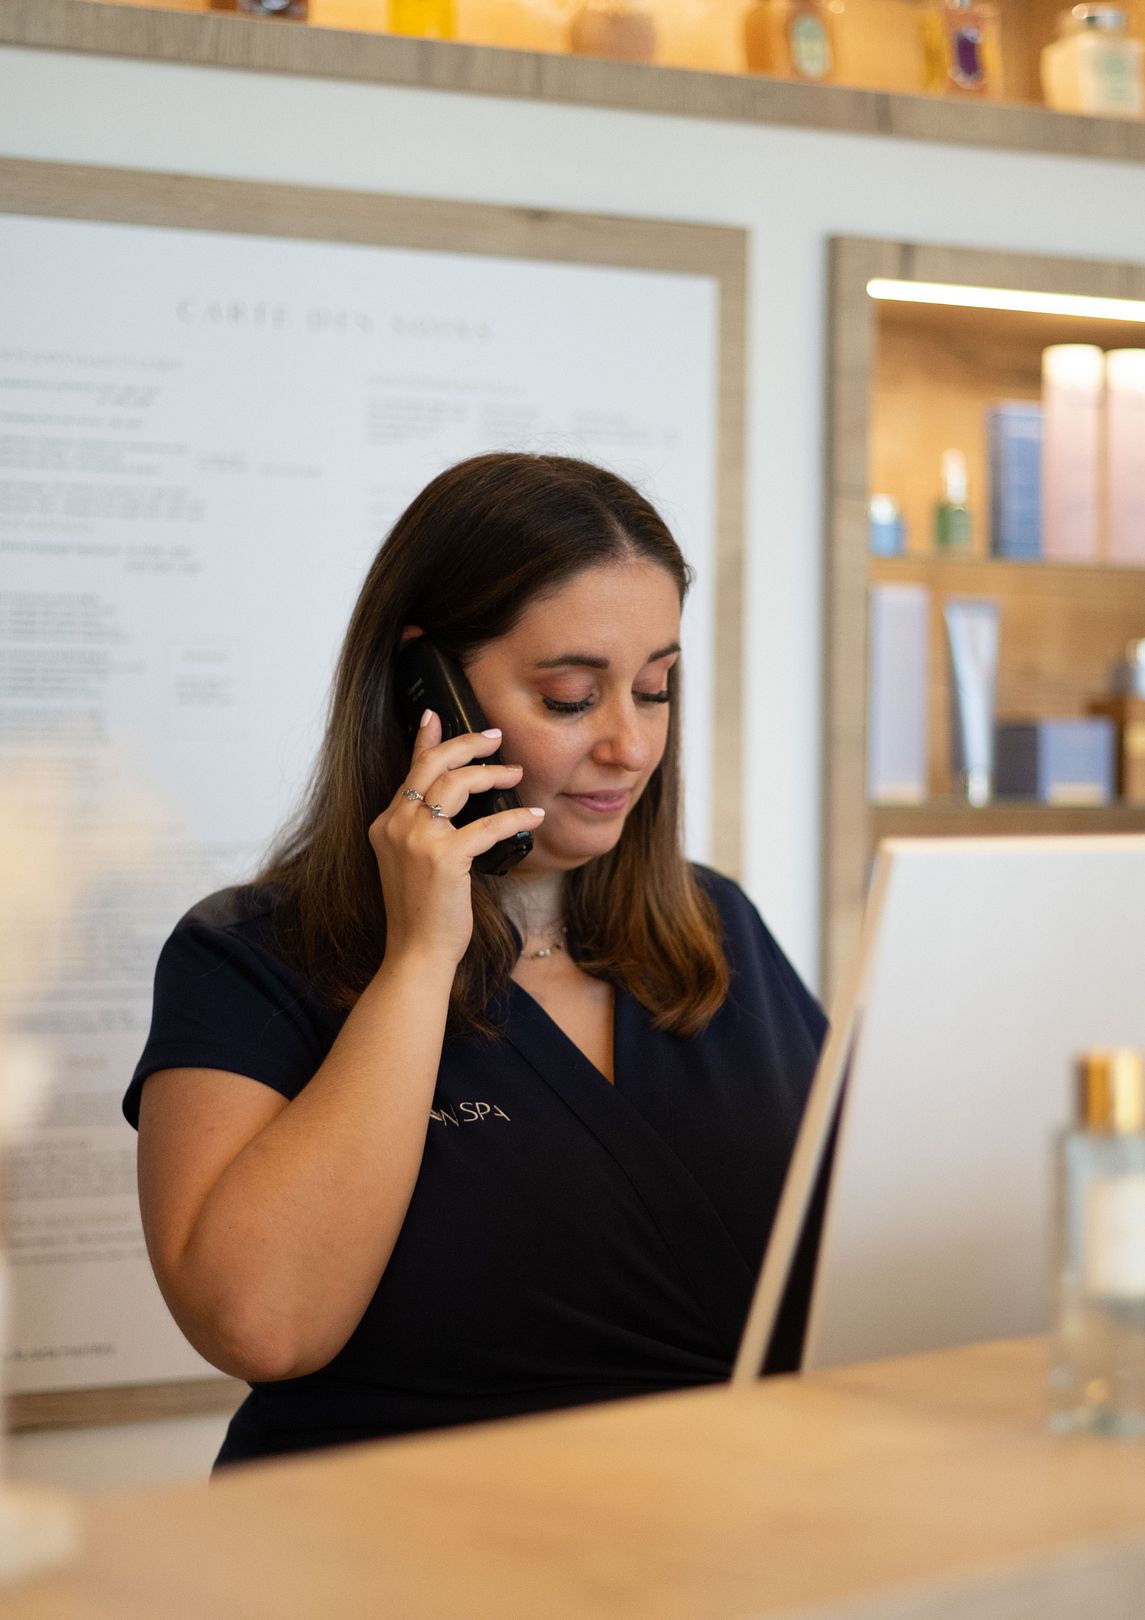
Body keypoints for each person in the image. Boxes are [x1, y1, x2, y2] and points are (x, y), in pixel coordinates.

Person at [126, 453, 827, 1467]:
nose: (630, 745)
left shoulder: (715, 928)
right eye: (571, 698)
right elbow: (261, 1326)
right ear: (430, 690)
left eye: (653, 689)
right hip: (403, 1537)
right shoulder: (247, 957)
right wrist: (419, 958)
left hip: (720, 1521)